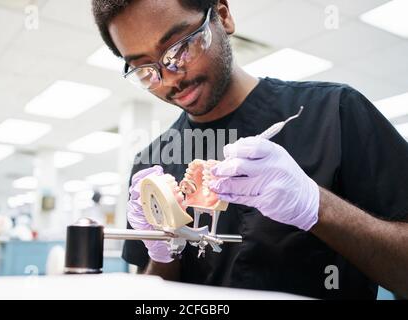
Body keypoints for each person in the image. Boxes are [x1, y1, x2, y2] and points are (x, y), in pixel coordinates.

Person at [91, 0, 408, 299]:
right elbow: (155, 295)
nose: (169, 79)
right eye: (145, 68)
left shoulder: (334, 114)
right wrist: (162, 252)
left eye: (180, 47)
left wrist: (317, 206)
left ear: (223, 15)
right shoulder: (153, 162)